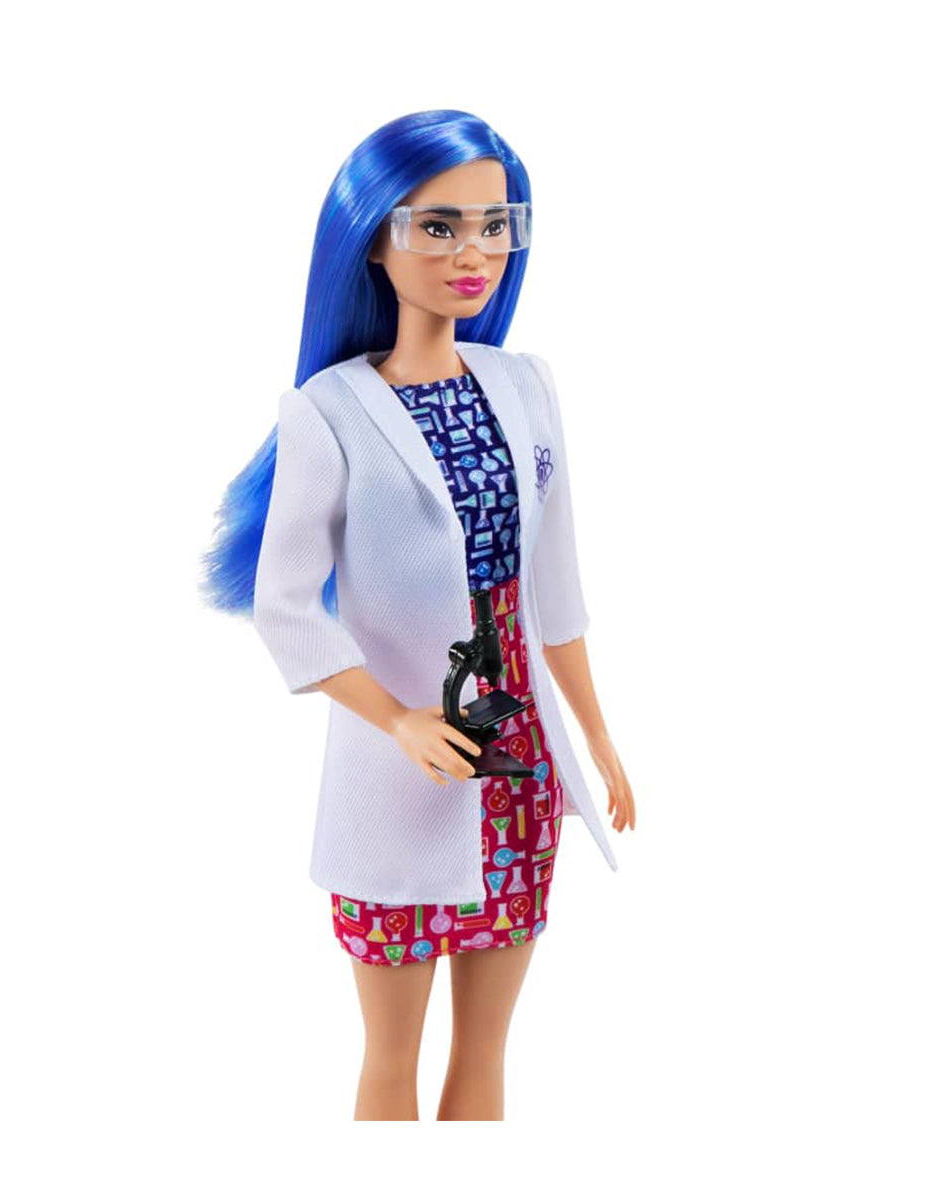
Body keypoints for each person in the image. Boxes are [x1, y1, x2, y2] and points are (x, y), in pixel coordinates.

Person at [203, 110, 635, 1121]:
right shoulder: (328, 410)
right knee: (390, 1060)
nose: (472, 252)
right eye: (438, 227)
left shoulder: (526, 386)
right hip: (404, 768)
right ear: (373, 239)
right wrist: (397, 720)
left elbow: (555, 588)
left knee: (484, 1056)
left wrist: (597, 734)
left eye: (493, 225)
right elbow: (286, 607)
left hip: (519, 762)